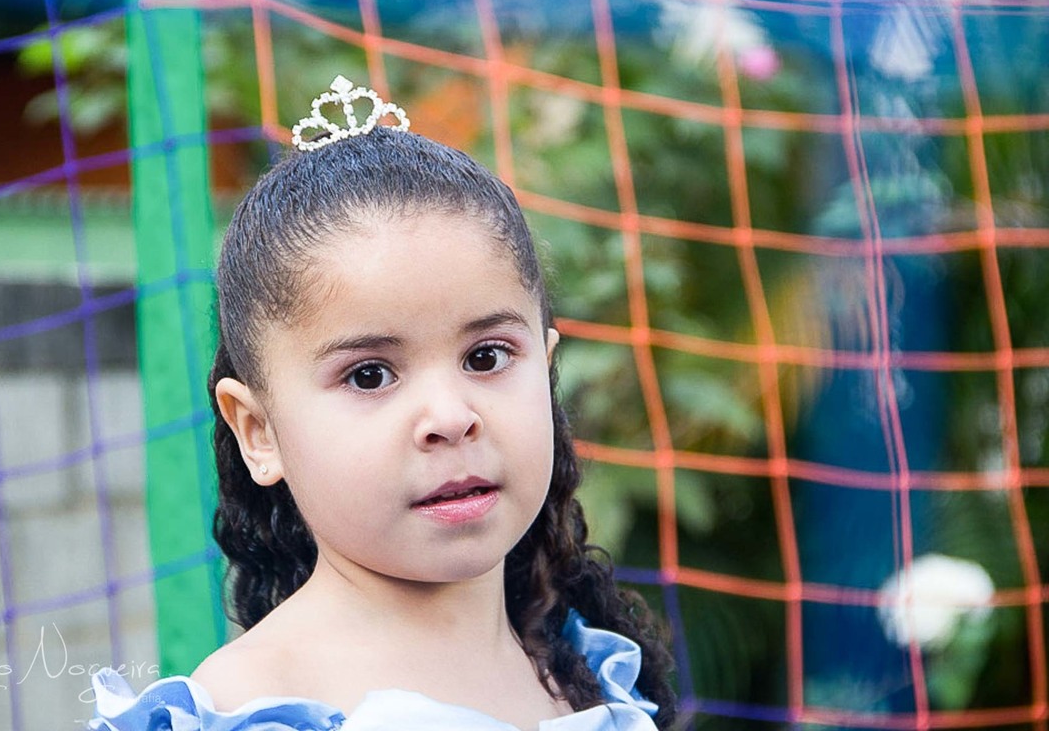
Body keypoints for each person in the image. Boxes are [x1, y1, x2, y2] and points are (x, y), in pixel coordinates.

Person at [88, 76, 675, 730]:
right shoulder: (247, 707)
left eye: (486, 357)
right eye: (369, 376)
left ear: (547, 366)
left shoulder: (582, 671)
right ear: (258, 431)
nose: (451, 417)